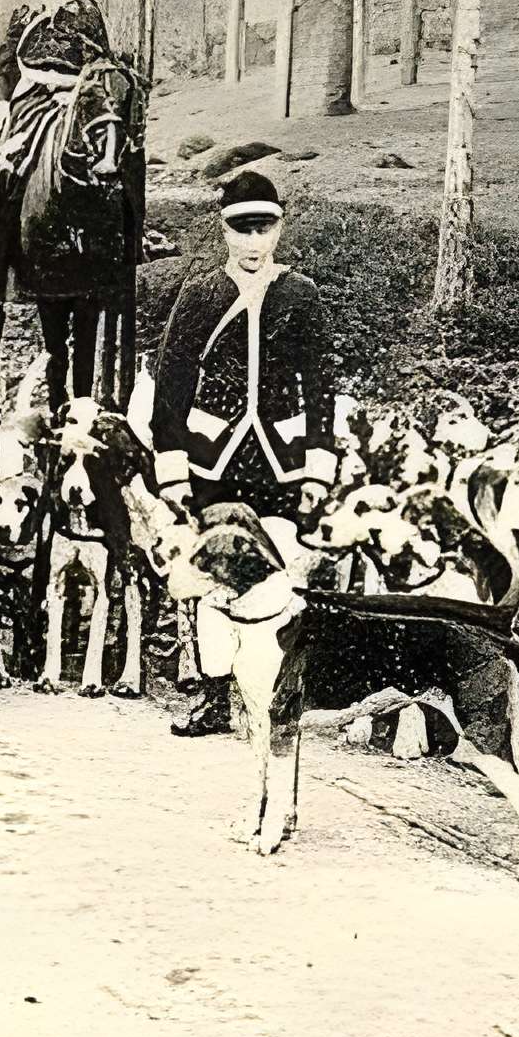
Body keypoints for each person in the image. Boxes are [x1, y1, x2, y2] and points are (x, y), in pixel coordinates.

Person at [150, 168, 338, 737]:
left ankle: (273, 692)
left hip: (280, 459)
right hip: (214, 459)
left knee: (276, 573)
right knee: (213, 576)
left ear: (280, 229)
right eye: (241, 230)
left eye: (264, 229)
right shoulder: (201, 292)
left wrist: (316, 467)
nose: (253, 243)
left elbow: (321, 385)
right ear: (224, 231)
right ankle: (212, 694)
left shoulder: (300, 294)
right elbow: (171, 386)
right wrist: (174, 470)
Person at [0, 0, 113, 193]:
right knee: (6, 150)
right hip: (34, 89)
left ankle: (129, 229)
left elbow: (100, 57)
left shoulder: (86, 7)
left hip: (81, 90)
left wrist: (82, 90)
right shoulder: (27, 11)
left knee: (113, 143)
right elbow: (7, 62)